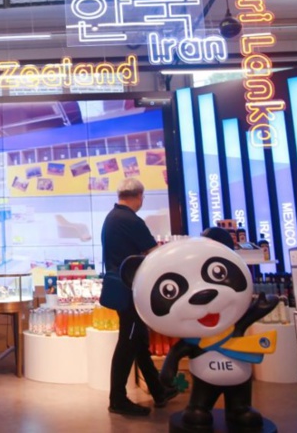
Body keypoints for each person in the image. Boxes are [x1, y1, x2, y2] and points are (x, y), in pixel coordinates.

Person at [102, 178, 176, 416]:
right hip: (130, 292)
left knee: (138, 341)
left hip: (121, 290)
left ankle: (159, 391)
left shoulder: (111, 218)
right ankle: (117, 400)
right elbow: (154, 254)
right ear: (139, 196)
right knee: (128, 343)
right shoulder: (132, 221)